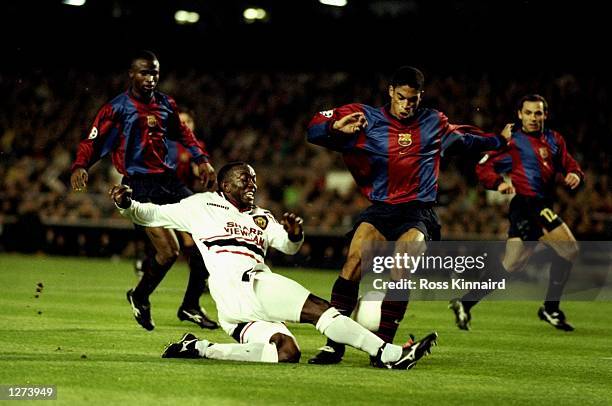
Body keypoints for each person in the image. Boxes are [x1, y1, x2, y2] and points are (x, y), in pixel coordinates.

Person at [110, 162, 438, 368]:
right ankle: (388, 354)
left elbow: (288, 246)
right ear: (224, 186)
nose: (252, 185)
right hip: (242, 282)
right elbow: (151, 214)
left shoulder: (261, 218)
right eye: (244, 180)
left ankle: (200, 348)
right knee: (320, 310)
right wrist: (127, 204)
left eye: (253, 181)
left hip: (235, 304)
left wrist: (296, 234)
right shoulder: (201, 204)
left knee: (286, 352)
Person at [306, 66, 510, 365]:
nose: (406, 105)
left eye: (412, 100)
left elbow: (466, 139)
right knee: (352, 263)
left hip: (418, 211)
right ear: (390, 92)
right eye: (401, 98)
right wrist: (334, 130)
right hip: (381, 208)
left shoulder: (433, 121)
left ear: (420, 97)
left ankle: (385, 348)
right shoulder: (365, 117)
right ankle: (333, 344)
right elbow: (312, 130)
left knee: (401, 265)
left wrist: (498, 141)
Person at [70, 50, 218, 331]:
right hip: (139, 186)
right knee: (169, 253)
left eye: (154, 73)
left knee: (208, 231)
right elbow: (92, 139)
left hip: (169, 182)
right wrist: (81, 165)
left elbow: (184, 133)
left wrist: (202, 159)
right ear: (132, 75)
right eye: (144, 73)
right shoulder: (116, 108)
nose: (150, 79)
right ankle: (139, 296)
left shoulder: (165, 103)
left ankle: (190, 305)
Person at [449, 94, 583, 331]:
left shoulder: (554, 140)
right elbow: (483, 165)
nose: (533, 117)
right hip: (528, 205)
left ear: (545, 115)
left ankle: (465, 302)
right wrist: (498, 183)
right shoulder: (512, 141)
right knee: (570, 249)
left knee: (513, 265)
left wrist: (574, 173)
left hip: (542, 205)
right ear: (520, 115)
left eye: (538, 113)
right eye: (528, 113)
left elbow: (568, 163)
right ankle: (551, 308)